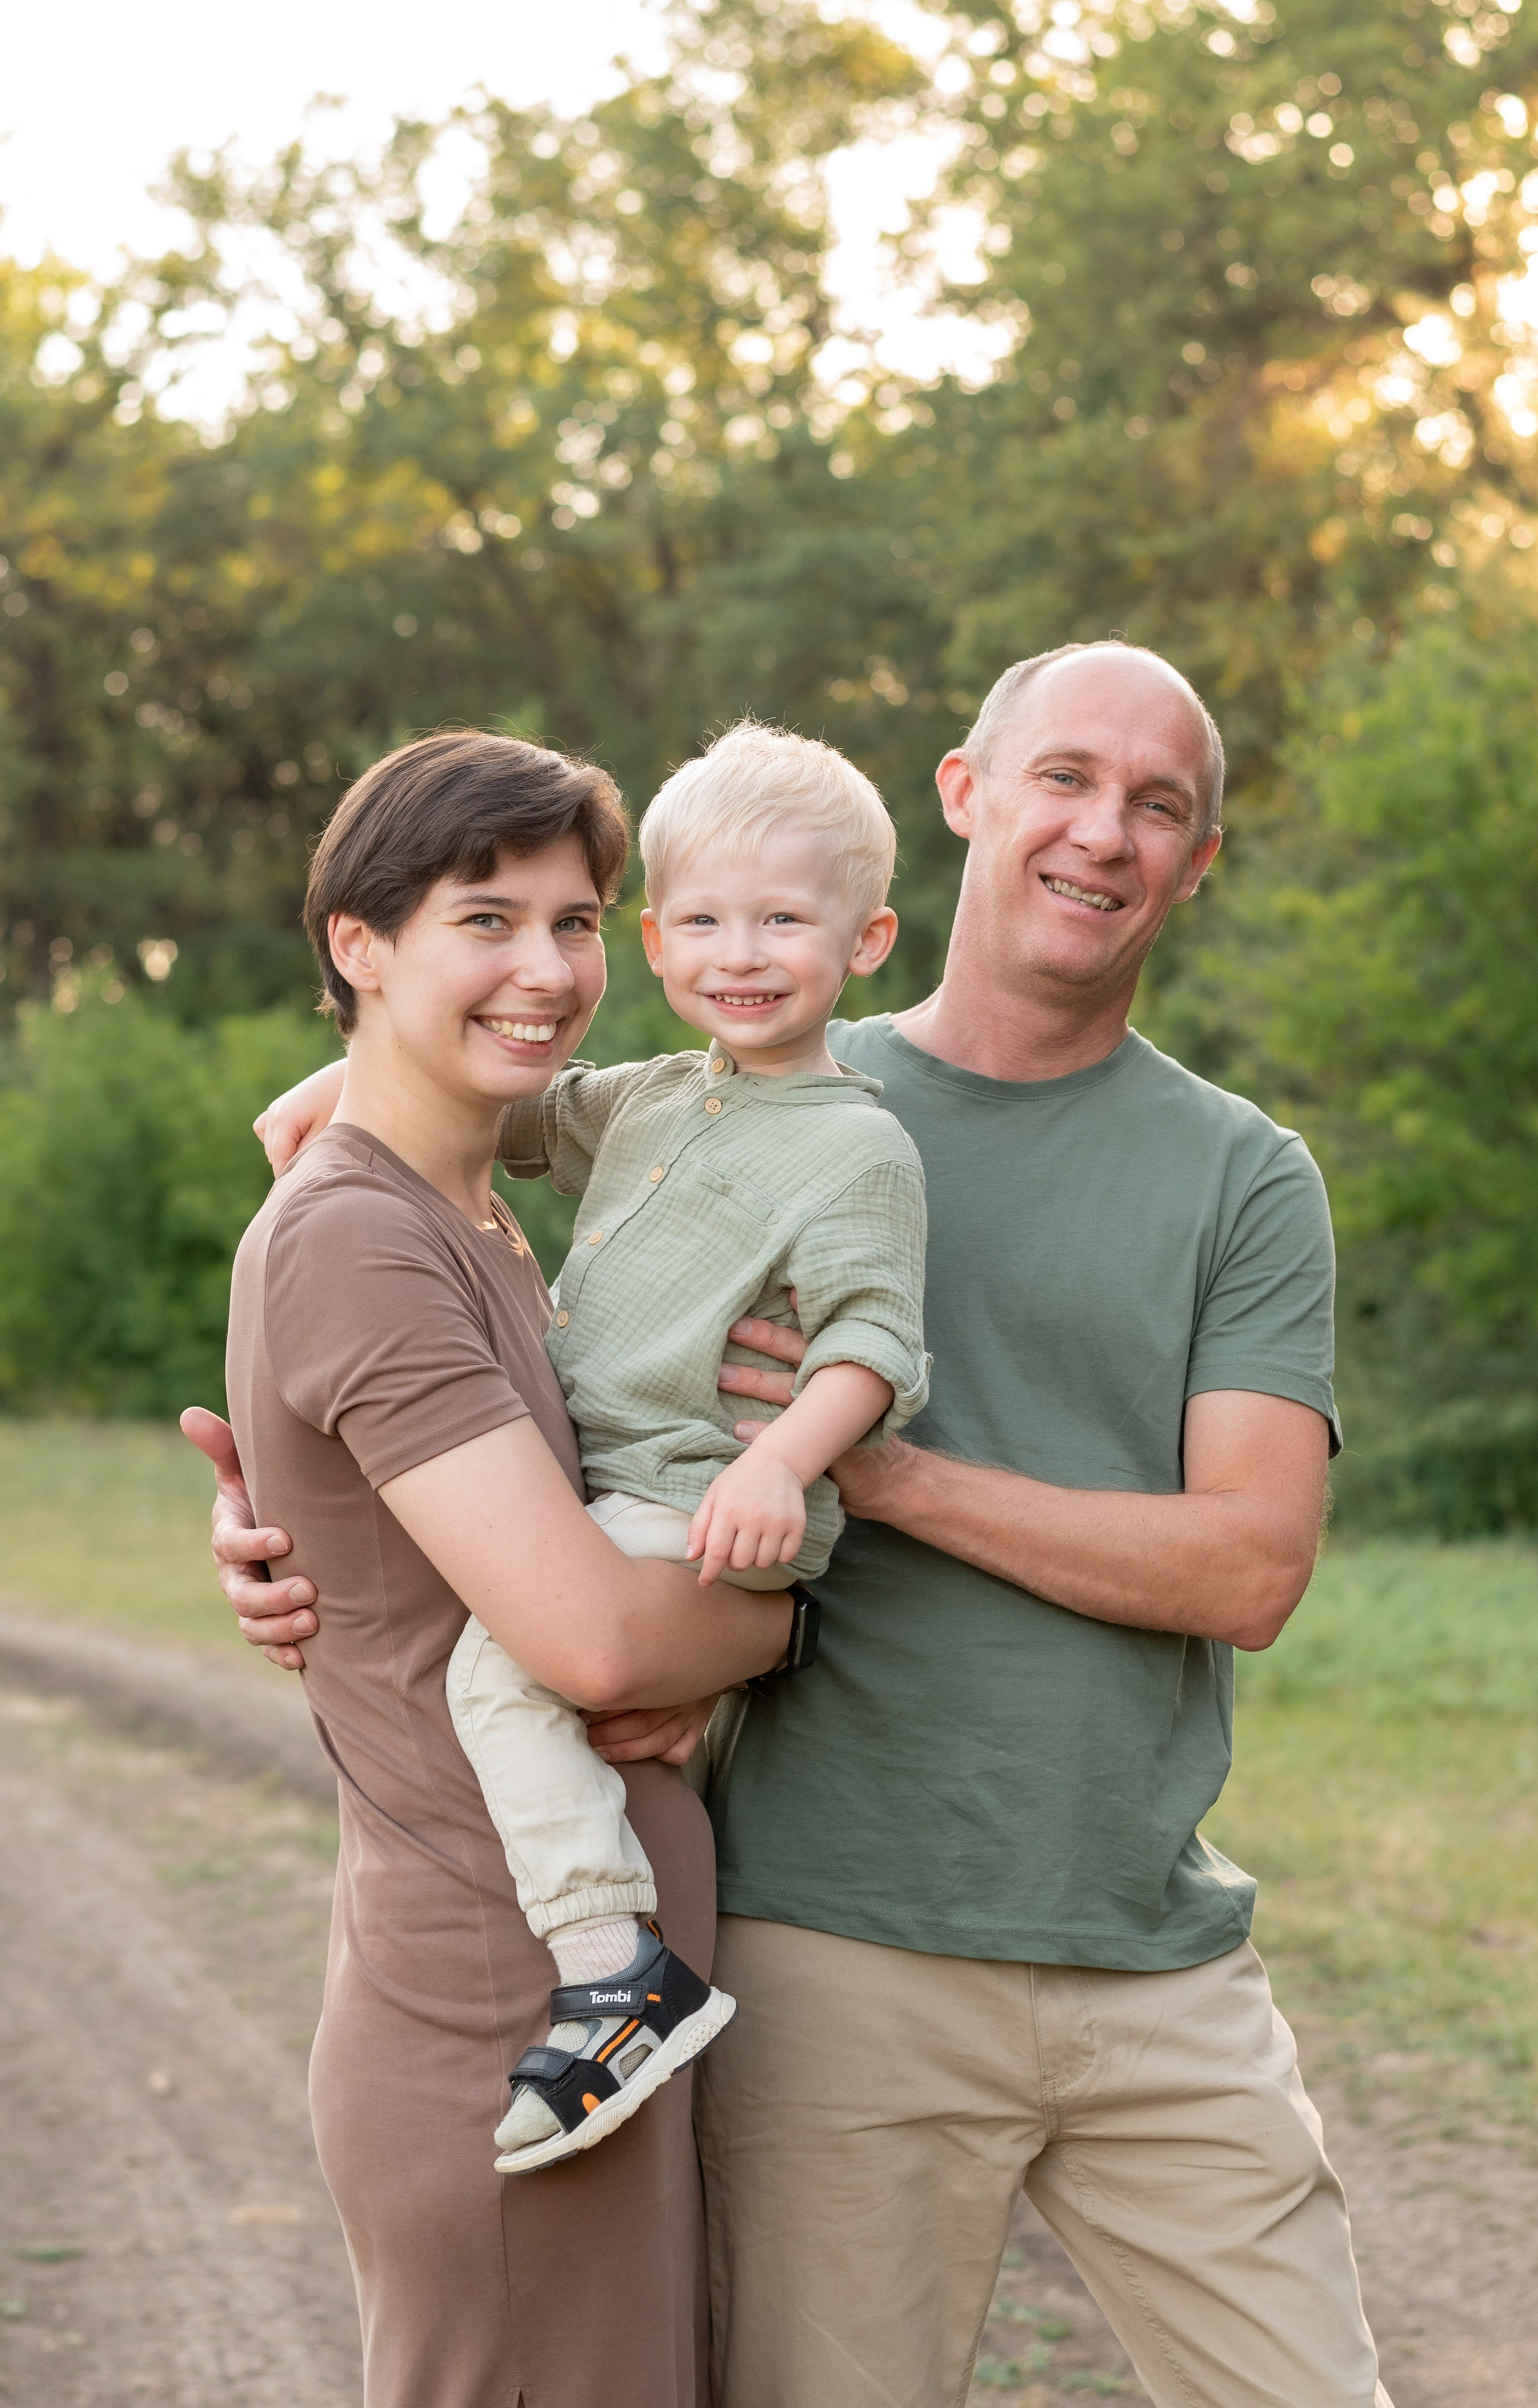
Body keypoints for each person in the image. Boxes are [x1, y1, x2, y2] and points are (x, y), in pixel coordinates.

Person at [200, 643, 1395, 2408]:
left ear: (1200, 859)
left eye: (1161, 806)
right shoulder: (702, 1091)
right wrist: (285, 1534)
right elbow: (369, 1155)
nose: (1105, 833)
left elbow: (1251, 1567)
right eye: (1063, 777)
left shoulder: (1239, 1173)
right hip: (829, 1942)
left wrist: (870, 1479)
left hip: (1154, 1955)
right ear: (968, 796)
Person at [206, 728, 795, 2408]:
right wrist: (786, 1608)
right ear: (358, 942)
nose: (546, 969)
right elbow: (598, 1643)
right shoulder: (364, 1233)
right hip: (508, 2027)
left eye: (577, 920)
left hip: (577, 2019)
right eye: (486, 918)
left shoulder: (471, 1205)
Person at [263, 723, 929, 2178]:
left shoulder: (858, 1147)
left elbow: (874, 1342)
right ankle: (610, 1951)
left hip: (706, 1494)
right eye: (699, 921)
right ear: (660, 936)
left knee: (502, 1676)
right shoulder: (646, 1101)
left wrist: (780, 1467)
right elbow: (493, 1114)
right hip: (625, 1500)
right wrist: (325, 1100)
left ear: (865, 938)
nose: (738, 954)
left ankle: (605, 1958)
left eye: (781, 922)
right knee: (515, 1669)